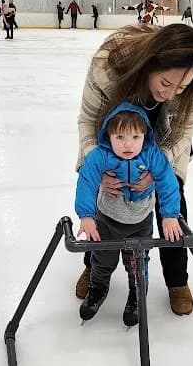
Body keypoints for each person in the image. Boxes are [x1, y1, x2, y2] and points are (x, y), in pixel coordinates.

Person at [74, 24, 193, 316]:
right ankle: (94, 265)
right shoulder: (107, 66)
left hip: (165, 146)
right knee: (105, 203)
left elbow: (183, 137)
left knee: (173, 200)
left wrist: (156, 169)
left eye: (181, 88)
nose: (171, 93)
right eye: (165, 83)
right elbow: (87, 121)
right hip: (116, 140)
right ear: (149, 65)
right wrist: (97, 168)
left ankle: (177, 281)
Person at [76, 103, 183, 326]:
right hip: (107, 220)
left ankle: (136, 294)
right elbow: (86, 180)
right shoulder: (101, 155)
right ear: (109, 136)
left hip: (140, 222)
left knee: (136, 261)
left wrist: (170, 215)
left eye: (135, 136)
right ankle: (98, 289)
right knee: (102, 259)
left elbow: (167, 181)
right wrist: (87, 216)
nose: (128, 144)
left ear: (145, 134)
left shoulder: (152, 155)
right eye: (120, 137)